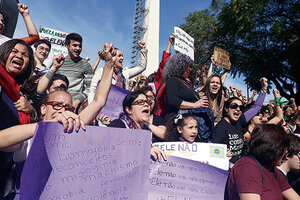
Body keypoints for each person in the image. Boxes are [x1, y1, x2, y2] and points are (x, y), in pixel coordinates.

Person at [0, 42, 117, 199]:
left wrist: (109, 64)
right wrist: (47, 127)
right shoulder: (28, 137)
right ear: (43, 108)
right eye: (57, 105)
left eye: (68, 108)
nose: (63, 110)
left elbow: (99, 101)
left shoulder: (70, 130)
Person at [226, 124, 300, 200]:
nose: (286, 155)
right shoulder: (247, 167)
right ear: (274, 150)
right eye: (284, 150)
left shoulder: (271, 168)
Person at [0, 39, 34, 199]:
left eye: (25, 55)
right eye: (14, 51)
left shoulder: (21, 94)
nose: (19, 56)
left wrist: (32, 111)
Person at [213, 77, 268, 164]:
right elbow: (213, 152)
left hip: (238, 164)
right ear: (226, 108)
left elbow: (256, 107)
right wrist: (228, 163)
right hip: (227, 169)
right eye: (234, 106)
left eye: (241, 107)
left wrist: (264, 89)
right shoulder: (221, 128)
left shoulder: (240, 120)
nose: (238, 109)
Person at [108, 89, 167, 161]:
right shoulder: (118, 125)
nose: (146, 104)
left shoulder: (147, 131)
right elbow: (111, 151)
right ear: (128, 110)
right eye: (140, 102)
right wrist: (144, 151)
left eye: (147, 102)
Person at [163, 52, 209, 118]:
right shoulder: (172, 80)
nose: (190, 69)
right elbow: (172, 100)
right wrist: (194, 105)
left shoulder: (186, 83)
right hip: (178, 120)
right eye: (188, 66)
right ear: (179, 67)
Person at [56, 33, 93, 112]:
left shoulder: (85, 65)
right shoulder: (59, 63)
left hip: (75, 107)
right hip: (57, 104)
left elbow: (91, 87)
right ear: (67, 45)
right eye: (75, 45)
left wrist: (78, 100)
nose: (78, 48)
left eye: (80, 46)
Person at [154, 33, 176, 117]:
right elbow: (164, 61)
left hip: (172, 117)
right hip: (158, 116)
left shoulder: (178, 81)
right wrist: (170, 42)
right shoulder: (161, 79)